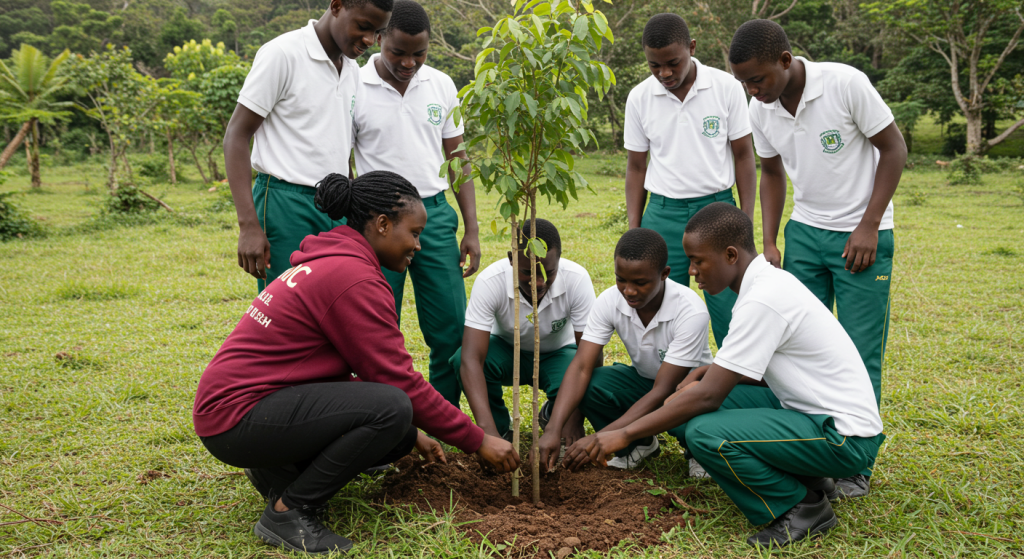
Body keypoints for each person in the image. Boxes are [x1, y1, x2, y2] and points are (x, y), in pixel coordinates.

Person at [193, 171, 520, 555]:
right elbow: (398, 380)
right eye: (413, 233)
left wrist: (414, 435)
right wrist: (477, 440)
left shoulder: (333, 261)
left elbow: (349, 372)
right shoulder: (353, 278)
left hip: (245, 411)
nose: (418, 245)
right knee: (394, 407)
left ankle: (278, 471)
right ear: (382, 225)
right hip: (237, 418)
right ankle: (289, 511)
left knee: (399, 429)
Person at [555, 202, 885, 549]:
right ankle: (814, 478)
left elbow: (709, 396)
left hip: (842, 436)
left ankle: (801, 507)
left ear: (730, 255)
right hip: (816, 418)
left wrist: (622, 434)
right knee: (695, 398)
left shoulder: (763, 299)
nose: (692, 271)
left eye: (698, 261)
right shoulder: (766, 285)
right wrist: (706, 370)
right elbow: (754, 374)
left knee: (704, 431)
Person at [728, 19, 906, 498]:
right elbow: (770, 172)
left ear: (785, 61)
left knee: (859, 349)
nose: (751, 89)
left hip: (861, 235)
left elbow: (893, 149)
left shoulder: (845, 84)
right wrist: (768, 240)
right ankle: (805, 446)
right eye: (744, 81)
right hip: (804, 233)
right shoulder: (760, 108)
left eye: (757, 79)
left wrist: (869, 223)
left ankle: (856, 461)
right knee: (791, 345)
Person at [352, 0, 479, 406]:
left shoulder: (441, 84)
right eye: (398, 53)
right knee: (376, 330)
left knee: (451, 328)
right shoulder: (352, 86)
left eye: (419, 54)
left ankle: (444, 415)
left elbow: (457, 158)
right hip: (378, 223)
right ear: (379, 38)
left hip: (435, 215)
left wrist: (471, 227)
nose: (409, 63)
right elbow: (340, 160)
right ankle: (387, 421)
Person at [223, 0, 393, 293]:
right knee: (287, 306)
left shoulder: (351, 68)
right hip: (285, 201)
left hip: (336, 202)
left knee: (332, 299)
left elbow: (338, 143)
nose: (369, 40)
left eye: (377, 32)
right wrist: (248, 225)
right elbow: (236, 135)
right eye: (363, 27)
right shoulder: (283, 54)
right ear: (337, 6)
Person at [623, 13, 757, 348]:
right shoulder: (639, 97)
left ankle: (739, 384)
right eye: (654, 66)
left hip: (717, 211)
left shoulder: (726, 88)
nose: (664, 73)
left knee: (730, 308)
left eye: (672, 63)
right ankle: (669, 387)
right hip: (662, 214)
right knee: (661, 308)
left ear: (692, 47)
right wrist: (635, 227)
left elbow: (743, 156)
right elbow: (637, 166)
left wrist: (747, 220)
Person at [537, 228, 713, 470]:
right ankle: (638, 446)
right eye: (621, 279)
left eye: (640, 283)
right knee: (593, 382)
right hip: (644, 383)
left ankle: (697, 451)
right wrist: (554, 429)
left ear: (664, 274)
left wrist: (601, 437)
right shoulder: (609, 300)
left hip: (685, 392)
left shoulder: (690, 311)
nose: (628, 290)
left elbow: (664, 390)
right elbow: (580, 367)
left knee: (687, 416)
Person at [452, 219, 595, 444]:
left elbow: (590, 360)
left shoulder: (577, 279)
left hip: (558, 354)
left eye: (548, 272)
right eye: (528, 272)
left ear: (559, 260)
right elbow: (470, 360)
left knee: (578, 375)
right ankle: (499, 429)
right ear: (511, 259)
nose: (538, 282)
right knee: (461, 358)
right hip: (507, 351)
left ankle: (555, 413)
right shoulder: (491, 281)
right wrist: (486, 433)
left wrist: (574, 420)